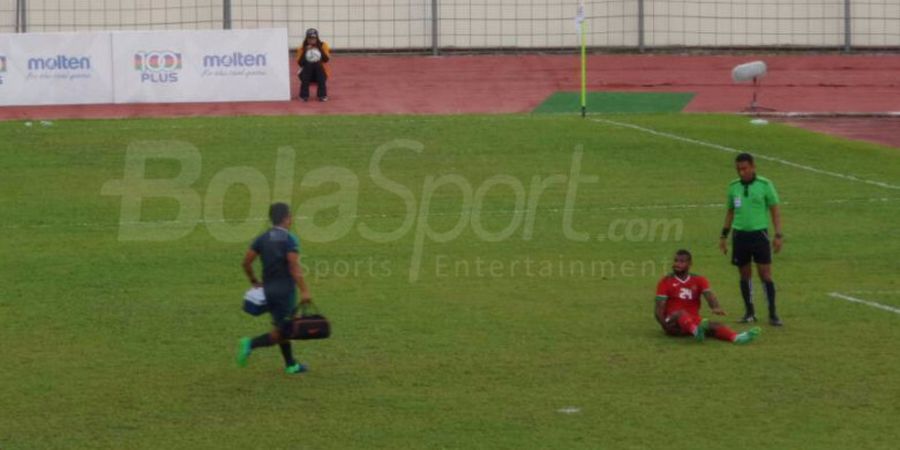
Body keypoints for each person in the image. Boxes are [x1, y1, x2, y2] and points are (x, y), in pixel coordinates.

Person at [237, 202, 313, 374]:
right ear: (287, 218)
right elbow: (294, 267)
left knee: (282, 326)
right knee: (284, 331)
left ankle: (290, 365)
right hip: (284, 293)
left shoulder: (263, 238)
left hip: (268, 292)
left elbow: (246, 262)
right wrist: (305, 290)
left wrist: (254, 281)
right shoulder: (289, 239)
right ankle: (250, 344)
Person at [719, 152, 784, 326]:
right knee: (744, 275)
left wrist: (778, 235)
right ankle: (749, 312)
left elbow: (775, 210)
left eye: (744, 168)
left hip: (759, 235)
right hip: (739, 236)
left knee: (765, 275)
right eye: (738, 169)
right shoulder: (733, 187)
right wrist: (723, 236)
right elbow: (730, 212)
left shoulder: (765, 185)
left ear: (753, 167)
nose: (741, 172)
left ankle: (772, 313)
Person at [655, 249, 760, 344]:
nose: (677, 264)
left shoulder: (699, 280)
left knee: (714, 325)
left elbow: (709, 295)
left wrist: (715, 307)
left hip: (692, 321)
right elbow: (659, 308)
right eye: (676, 261)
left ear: (690, 264)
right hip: (672, 322)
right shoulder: (666, 281)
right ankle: (696, 331)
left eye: (681, 261)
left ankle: (736, 337)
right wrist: (665, 326)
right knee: (680, 313)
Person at [296, 28, 331, 102]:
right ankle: (303, 95)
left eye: (314, 38)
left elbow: (326, 59)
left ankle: (322, 95)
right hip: (306, 74)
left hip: (320, 73)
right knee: (308, 64)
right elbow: (300, 63)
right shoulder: (302, 47)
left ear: (317, 38)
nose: (312, 40)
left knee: (318, 64)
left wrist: (319, 48)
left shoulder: (323, 45)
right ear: (307, 38)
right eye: (310, 38)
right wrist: (305, 51)